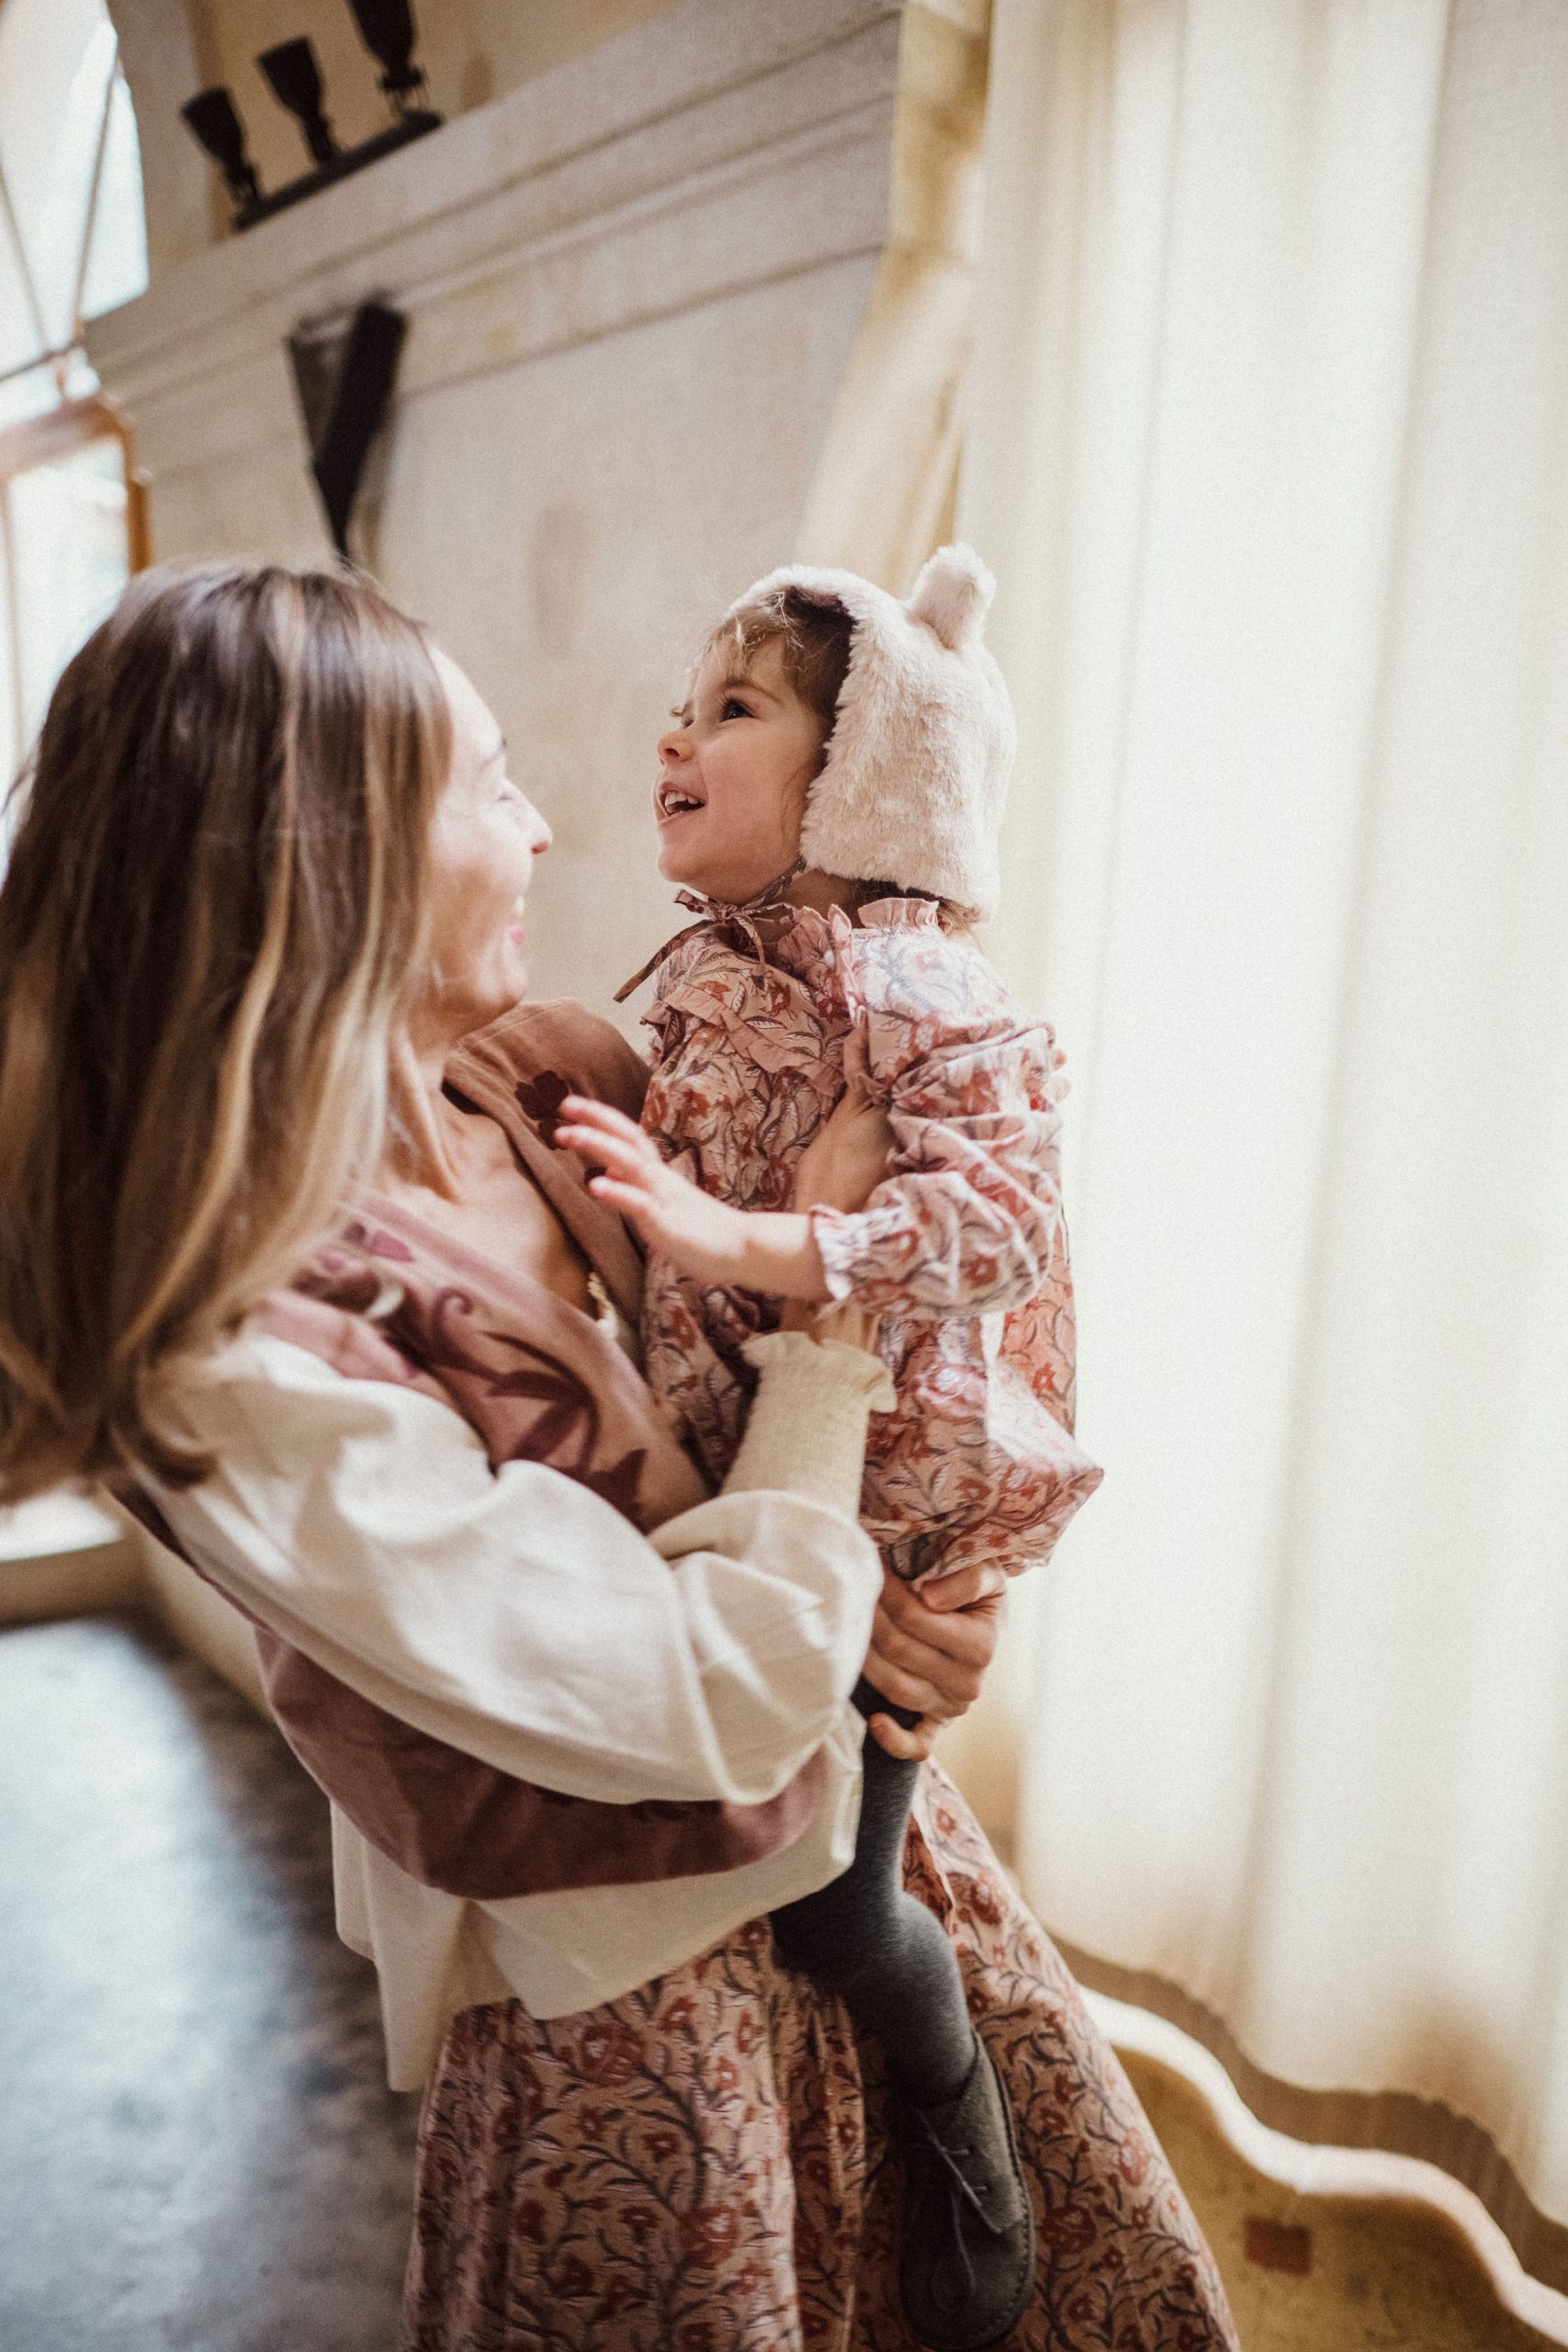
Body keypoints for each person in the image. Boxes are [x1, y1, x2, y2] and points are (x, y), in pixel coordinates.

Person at [0, 559, 1240, 2352]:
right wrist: (823, 1345)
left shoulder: (546, 1080)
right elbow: (713, 1683)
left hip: (856, 1838)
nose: (552, 828)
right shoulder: (240, 1362)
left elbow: (844, 1415)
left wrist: (921, 1606)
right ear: (329, 857)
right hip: (635, 1992)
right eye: (493, 786)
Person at [559, 545, 1103, 2349]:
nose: (671, 732)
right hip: (771, 1511)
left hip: (895, 1506)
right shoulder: (707, 980)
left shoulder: (914, 979)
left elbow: (1006, 1212)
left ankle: (967, 2159)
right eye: (680, 701)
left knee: (840, 1908)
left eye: (729, 708)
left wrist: (766, 1244)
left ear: (859, 777)